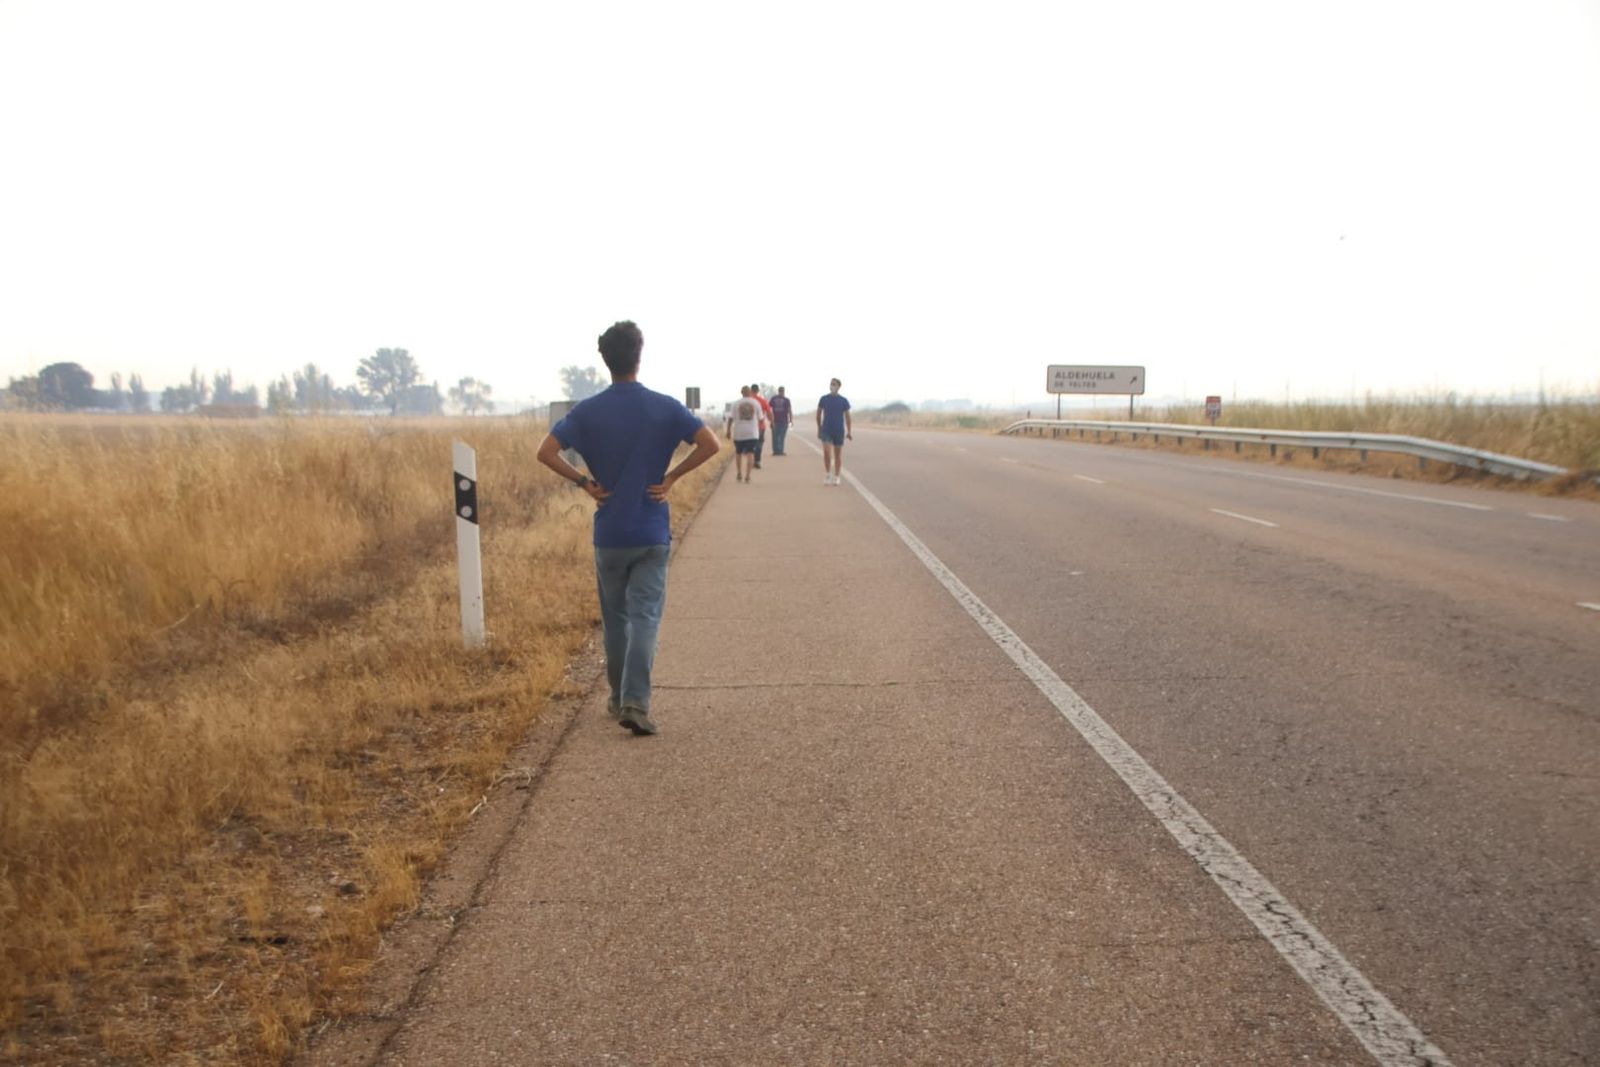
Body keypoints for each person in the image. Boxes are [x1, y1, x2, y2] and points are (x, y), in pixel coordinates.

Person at [537, 321, 720, 736]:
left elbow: (545, 452)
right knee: (646, 617)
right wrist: (672, 477)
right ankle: (636, 701)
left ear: (605, 360)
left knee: (616, 619)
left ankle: (618, 697)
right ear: (640, 354)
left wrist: (584, 483)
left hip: (610, 533)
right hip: (652, 529)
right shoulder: (664, 406)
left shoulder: (586, 411)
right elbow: (711, 444)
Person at [816, 377, 852, 485]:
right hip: (826, 429)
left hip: (838, 430)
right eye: (831, 384)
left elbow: (848, 417)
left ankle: (837, 476)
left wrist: (849, 431)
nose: (832, 386)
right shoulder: (824, 399)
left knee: (837, 454)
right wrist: (819, 428)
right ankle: (828, 474)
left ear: (838, 387)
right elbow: (818, 414)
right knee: (827, 452)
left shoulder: (843, 401)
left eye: (834, 384)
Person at [725, 385, 763, 483]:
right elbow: (761, 418)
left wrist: (728, 431)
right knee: (751, 453)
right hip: (752, 433)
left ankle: (739, 473)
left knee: (738, 453)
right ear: (750, 392)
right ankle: (748, 476)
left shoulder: (736, 404)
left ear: (741, 393)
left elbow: (730, 419)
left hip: (739, 433)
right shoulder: (756, 403)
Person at [750, 384, 773, 468]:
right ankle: (757, 461)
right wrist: (772, 422)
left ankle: (751, 461)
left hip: (749, 427)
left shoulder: (748, 400)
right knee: (759, 444)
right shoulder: (762, 401)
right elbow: (769, 412)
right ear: (758, 390)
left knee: (751, 445)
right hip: (760, 426)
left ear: (751, 390)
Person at [768, 386, 793, 455]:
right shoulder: (786, 400)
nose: (782, 392)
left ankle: (778, 451)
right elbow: (789, 410)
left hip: (780, 421)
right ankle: (778, 451)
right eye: (782, 391)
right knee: (779, 437)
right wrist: (791, 420)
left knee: (778, 437)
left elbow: (769, 410)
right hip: (779, 421)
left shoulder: (774, 399)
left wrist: (790, 420)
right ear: (782, 391)